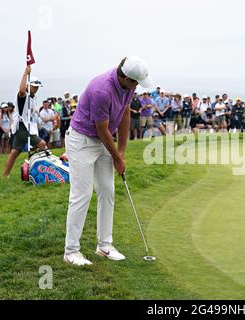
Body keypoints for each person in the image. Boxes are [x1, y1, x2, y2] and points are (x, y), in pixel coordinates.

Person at [63, 56, 152, 266]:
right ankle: (71, 251)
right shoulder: (102, 89)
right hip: (82, 140)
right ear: (125, 77)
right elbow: (102, 129)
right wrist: (116, 157)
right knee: (81, 195)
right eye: (135, 82)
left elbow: (123, 116)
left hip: (103, 140)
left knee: (107, 190)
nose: (137, 86)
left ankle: (104, 246)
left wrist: (121, 151)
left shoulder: (128, 85)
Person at [3, 66, 47, 177]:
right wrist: (25, 73)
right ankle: (42, 171)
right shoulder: (24, 95)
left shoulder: (33, 97)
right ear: (28, 85)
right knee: (42, 144)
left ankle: (5, 175)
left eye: (37, 87)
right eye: (34, 86)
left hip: (27, 126)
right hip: (22, 127)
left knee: (15, 152)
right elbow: (22, 90)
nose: (36, 89)